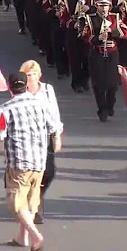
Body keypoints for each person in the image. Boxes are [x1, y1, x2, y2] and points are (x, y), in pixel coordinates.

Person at [0, 72, 61, 250]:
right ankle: (22, 237)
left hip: (19, 163)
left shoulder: (4, 110)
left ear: (10, 88)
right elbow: (53, 127)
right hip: (39, 161)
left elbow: (1, 135)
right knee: (31, 201)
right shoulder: (41, 104)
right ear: (26, 85)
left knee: (16, 203)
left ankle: (35, 235)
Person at [18, 61, 63, 225]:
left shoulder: (47, 90)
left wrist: (58, 134)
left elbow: (55, 112)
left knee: (49, 172)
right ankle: (35, 209)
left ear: (39, 75)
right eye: (28, 75)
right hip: (28, 139)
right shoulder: (20, 92)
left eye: (34, 74)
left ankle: (36, 196)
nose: (32, 77)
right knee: (32, 173)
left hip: (47, 136)